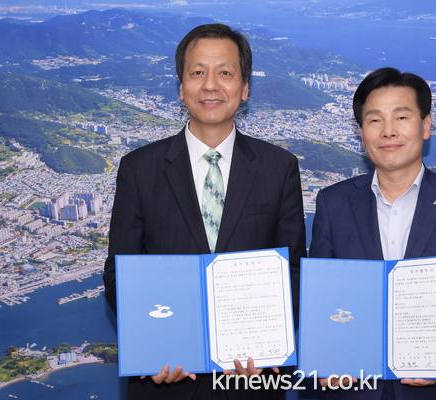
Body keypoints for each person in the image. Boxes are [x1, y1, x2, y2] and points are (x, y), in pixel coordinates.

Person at [103, 23, 306, 400]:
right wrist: (151, 344)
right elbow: (120, 274)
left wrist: (268, 346)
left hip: (252, 382)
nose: (211, 85)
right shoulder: (139, 169)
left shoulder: (279, 168)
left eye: (225, 73)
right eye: (198, 73)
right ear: (181, 87)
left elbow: (293, 270)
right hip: (165, 381)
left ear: (245, 88)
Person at [309, 67, 436, 400]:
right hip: (352, 389)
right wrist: (324, 357)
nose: (388, 131)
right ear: (361, 132)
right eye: (374, 120)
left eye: (401, 117)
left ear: (426, 125)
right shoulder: (333, 203)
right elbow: (321, 294)